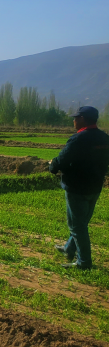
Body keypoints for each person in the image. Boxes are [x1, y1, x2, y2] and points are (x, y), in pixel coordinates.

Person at [48, 105, 109, 269]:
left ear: (83, 119)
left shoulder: (78, 139)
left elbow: (61, 160)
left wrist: (52, 166)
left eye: (76, 117)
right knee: (81, 222)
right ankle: (69, 248)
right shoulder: (104, 138)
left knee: (77, 225)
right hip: (95, 187)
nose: (73, 120)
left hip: (77, 188)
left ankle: (84, 262)